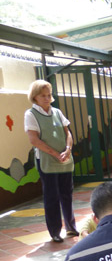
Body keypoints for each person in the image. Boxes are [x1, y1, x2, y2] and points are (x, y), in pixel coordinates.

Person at [24, 80, 77, 242]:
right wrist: (55, 153)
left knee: (66, 194)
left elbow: (68, 133)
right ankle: (55, 231)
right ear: (35, 97)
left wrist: (68, 150)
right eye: (43, 96)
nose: (47, 98)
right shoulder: (31, 115)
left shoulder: (57, 112)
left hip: (64, 160)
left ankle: (71, 227)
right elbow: (34, 140)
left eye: (49, 95)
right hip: (47, 161)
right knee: (52, 196)